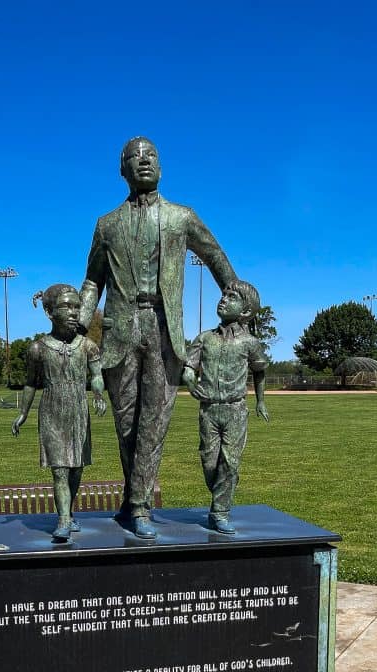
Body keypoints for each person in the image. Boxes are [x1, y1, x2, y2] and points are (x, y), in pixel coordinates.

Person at [79, 136, 237, 538]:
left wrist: (236, 294)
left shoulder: (181, 217)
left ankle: (140, 505)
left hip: (165, 328)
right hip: (120, 329)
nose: (143, 162)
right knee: (126, 424)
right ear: (122, 169)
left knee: (155, 421)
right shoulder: (106, 224)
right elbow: (92, 281)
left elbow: (215, 257)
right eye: (135, 157)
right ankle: (133, 500)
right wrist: (79, 325)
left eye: (151, 156)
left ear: (161, 167)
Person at [12, 284, 107, 541]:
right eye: (66, 306)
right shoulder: (38, 349)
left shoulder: (88, 346)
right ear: (49, 311)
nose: (74, 312)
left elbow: (97, 375)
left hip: (78, 411)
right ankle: (63, 519)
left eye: (77, 306)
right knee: (60, 470)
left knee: (76, 468)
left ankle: (69, 512)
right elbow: (31, 383)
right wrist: (23, 413)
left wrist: (98, 392)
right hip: (52, 411)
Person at [183, 280, 269, 534]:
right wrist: (189, 381)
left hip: (235, 410)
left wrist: (260, 401)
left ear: (245, 312)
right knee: (210, 463)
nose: (224, 299)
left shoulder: (250, 343)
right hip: (209, 410)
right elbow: (189, 367)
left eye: (232, 297)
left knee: (230, 462)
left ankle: (220, 511)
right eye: (224, 294)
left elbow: (260, 371)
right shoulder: (204, 339)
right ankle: (227, 486)